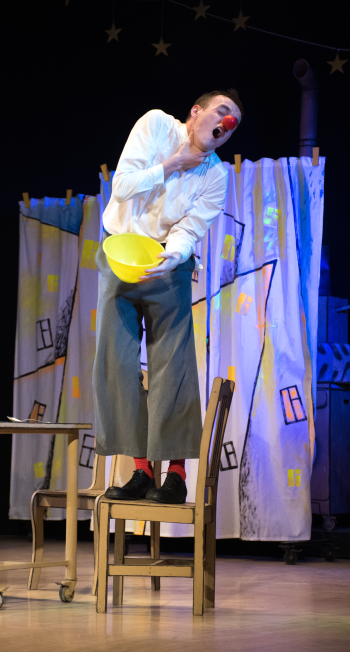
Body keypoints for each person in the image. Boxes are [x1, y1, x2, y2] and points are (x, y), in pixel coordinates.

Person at [93, 89, 243, 504]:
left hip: (168, 264)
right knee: (117, 363)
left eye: (233, 122)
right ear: (196, 112)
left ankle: (175, 474)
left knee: (173, 366)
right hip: (121, 254)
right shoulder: (157, 125)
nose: (227, 123)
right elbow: (122, 186)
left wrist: (173, 255)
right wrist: (174, 162)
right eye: (222, 111)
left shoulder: (216, 174)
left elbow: (191, 226)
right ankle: (141, 470)